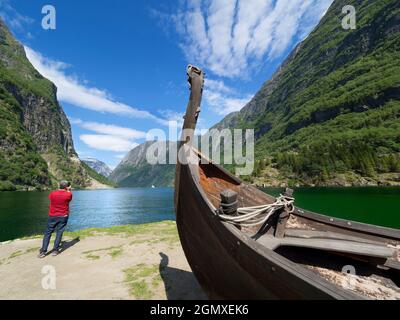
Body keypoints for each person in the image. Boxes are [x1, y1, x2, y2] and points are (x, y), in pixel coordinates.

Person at [38, 181, 73, 258]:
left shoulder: (52, 194)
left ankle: (43, 251)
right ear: (67, 187)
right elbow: (69, 198)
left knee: (48, 233)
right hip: (63, 216)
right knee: (59, 232)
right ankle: (55, 250)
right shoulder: (69, 194)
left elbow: (51, 198)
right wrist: (68, 190)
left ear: (59, 186)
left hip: (53, 216)